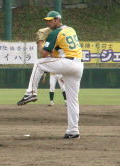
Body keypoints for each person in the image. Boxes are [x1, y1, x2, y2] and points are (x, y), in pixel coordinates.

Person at [17, 11, 84, 139]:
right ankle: (73, 131)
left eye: (51, 20)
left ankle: (31, 93)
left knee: (38, 63)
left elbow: (44, 54)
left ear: (57, 20)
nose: (48, 23)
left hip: (68, 63)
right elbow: (57, 51)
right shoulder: (71, 29)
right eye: (47, 21)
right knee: (72, 101)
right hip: (78, 66)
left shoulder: (55, 33)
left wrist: (40, 41)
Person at [36, 27, 67, 106]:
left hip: (59, 74)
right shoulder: (50, 55)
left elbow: (62, 64)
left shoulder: (58, 53)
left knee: (63, 88)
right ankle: (51, 102)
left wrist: (64, 76)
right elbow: (46, 66)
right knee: (51, 87)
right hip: (52, 74)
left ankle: (66, 101)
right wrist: (44, 76)